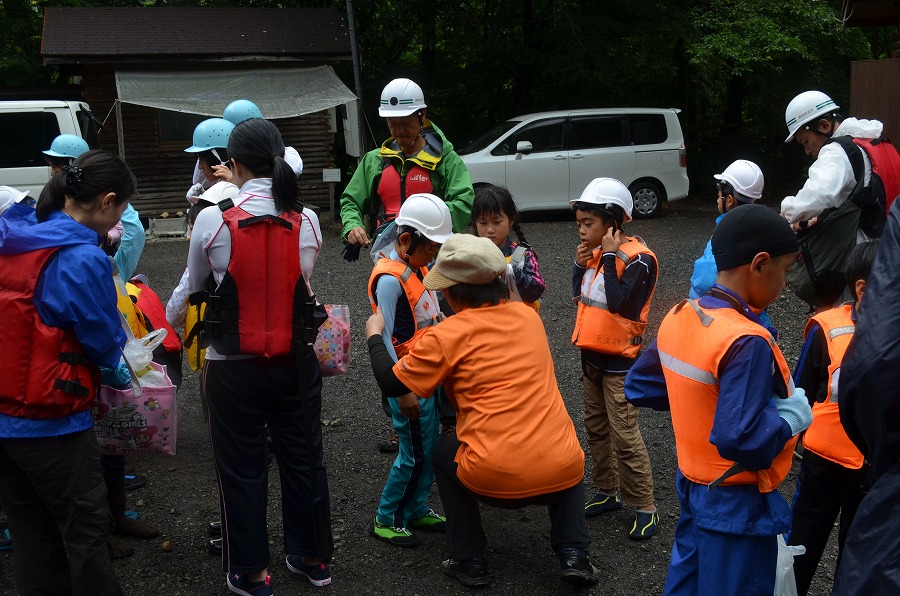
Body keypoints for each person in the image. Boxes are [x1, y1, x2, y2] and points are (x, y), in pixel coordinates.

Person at [366, 233, 598, 588]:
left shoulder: (445, 336)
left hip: (493, 479)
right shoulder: (528, 318)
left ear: (453, 293)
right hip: (562, 473)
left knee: (443, 450)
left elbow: (392, 383)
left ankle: (468, 558)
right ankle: (574, 553)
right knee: (561, 449)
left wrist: (373, 334)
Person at [625, 203, 813, 595]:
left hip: (693, 483)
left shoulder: (681, 313)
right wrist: (790, 420)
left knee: (688, 581)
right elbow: (739, 439)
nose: (786, 283)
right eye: (786, 268)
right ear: (760, 264)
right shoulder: (746, 340)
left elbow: (639, 386)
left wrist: (700, 400)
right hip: (735, 502)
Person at [187, 117, 330, 594]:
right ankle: (313, 559)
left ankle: (251, 572)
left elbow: (198, 284)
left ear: (233, 162)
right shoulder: (306, 218)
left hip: (232, 365)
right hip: (296, 359)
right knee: (304, 456)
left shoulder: (213, 215)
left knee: (241, 466)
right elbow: (302, 278)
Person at [0, 150, 135, 595]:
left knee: (31, 530)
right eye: (122, 208)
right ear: (107, 201)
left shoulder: (18, 240)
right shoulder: (82, 257)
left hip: (6, 416)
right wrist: (121, 367)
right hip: (52, 420)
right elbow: (100, 337)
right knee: (85, 525)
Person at [570, 177, 659, 539]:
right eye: (579, 223)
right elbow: (581, 296)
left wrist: (606, 256)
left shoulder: (640, 259)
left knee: (625, 434)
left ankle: (645, 505)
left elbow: (623, 302)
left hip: (621, 365)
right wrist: (580, 266)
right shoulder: (593, 255)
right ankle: (607, 491)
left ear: (613, 222)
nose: (581, 230)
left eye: (587, 223)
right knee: (595, 428)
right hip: (591, 359)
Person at [787, 240, 877, 595]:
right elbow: (801, 392)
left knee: (857, 554)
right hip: (822, 463)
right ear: (863, 289)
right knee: (803, 545)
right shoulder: (827, 328)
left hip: (870, 468)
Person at [367, 193, 452, 547]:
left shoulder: (416, 267)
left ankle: (416, 507)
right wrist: (400, 391)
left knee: (428, 446)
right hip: (409, 382)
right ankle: (388, 517)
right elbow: (382, 335)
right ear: (405, 241)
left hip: (427, 377)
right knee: (413, 452)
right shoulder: (389, 279)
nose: (433, 255)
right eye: (430, 248)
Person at [832, 202, 900, 595]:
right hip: (839, 461)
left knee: (857, 540)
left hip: (868, 459)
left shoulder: (872, 342)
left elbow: (871, 375)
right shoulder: (825, 328)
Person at [339, 77, 474, 249]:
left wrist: (422, 221)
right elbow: (351, 200)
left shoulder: (446, 160)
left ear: (422, 115)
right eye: (393, 124)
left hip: (432, 255)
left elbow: (463, 202)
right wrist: (352, 226)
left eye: (405, 123)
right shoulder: (374, 160)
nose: (399, 131)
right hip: (386, 256)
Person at [781, 90, 884, 239]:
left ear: (824, 126)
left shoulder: (837, 152)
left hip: (861, 251)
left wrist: (784, 216)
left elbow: (817, 196)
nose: (807, 151)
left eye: (805, 142)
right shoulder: (863, 140)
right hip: (884, 241)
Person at [690, 160, 764, 299]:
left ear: (729, 200)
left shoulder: (726, 232)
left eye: (719, 195)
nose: (717, 199)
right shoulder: (757, 228)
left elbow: (706, 280)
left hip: (714, 311)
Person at [471, 184, 545, 311]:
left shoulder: (524, 254)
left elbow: (536, 290)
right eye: (482, 222)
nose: (489, 230)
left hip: (518, 325)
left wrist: (509, 270)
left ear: (511, 220)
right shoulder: (469, 254)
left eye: (496, 222)